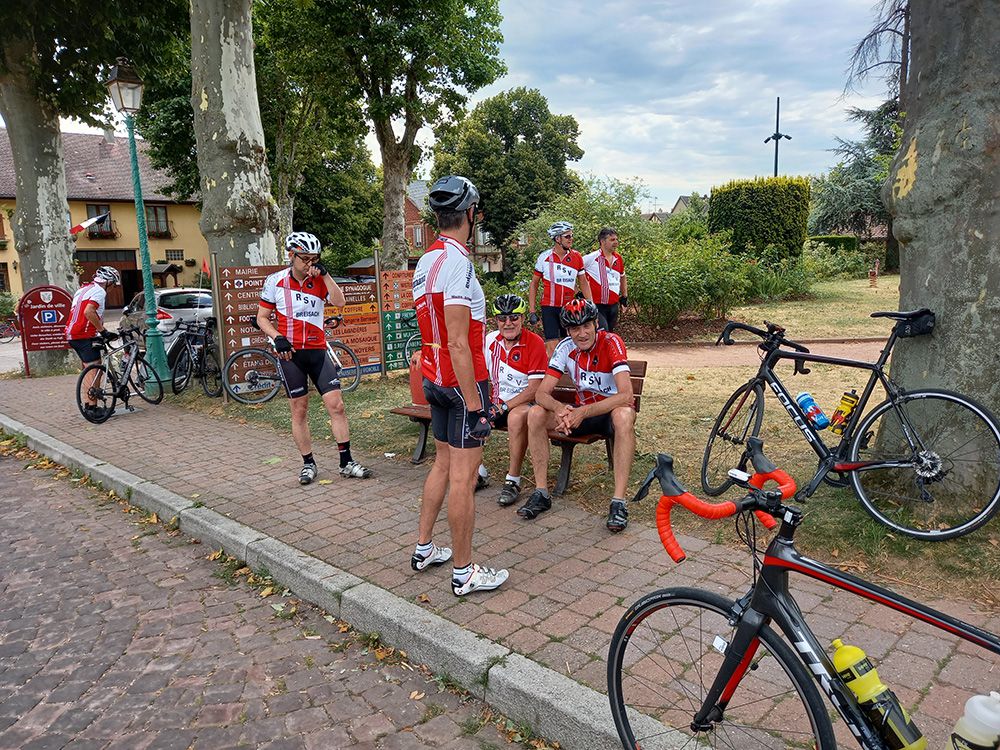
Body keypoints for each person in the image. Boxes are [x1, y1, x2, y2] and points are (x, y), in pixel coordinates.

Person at [410, 175, 508, 597]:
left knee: (443, 464)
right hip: (461, 382)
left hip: (433, 378)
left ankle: (424, 548)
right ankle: (465, 572)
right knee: (463, 479)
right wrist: (476, 404)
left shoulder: (426, 260)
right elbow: (456, 338)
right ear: (469, 215)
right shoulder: (459, 262)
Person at [257, 231, 373, 485]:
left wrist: (326, 273)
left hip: (318, 351)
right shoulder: (274, 282)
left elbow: (340, 302)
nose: (310, 263)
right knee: (299, 410)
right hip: (291, 354)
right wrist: (277, 337)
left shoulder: (319, 280)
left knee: (337, 406)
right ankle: (308, 463)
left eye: (315, 258)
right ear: (291, 256)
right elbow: (262, 318)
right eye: (305, 258)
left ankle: (346, 462)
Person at [520, 299, 636, 532]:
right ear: (567, 331)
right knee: (534, 413)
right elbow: (542, 393)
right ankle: (541, 492)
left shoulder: (611, 342)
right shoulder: (564, 348)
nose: (581, 334)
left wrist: (584, 411)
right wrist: (559, 409)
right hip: (580, 413)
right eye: (574, 329)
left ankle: (618, 503)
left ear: (595, 324)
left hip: (607, 413)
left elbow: (626, 395)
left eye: (586, 326)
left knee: (624, 415)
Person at [482, 293, 548, 509]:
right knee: (468, 413)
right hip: (497, 403)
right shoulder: (490, 341)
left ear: (521, 319)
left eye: (513, 317)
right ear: (496, 321)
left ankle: (513, 480)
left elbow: (535, 389)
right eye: (502, 318)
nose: (508, 323)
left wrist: (504, 407)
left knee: (515, 418)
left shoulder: (534, 343)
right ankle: (478, 473)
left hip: (523, 404)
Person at [527, 221, 593, 357]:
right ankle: (555, 376)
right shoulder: (544, 258)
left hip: (569, 308)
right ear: (557, 239)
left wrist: (591, 304)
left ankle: (571, 376)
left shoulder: (576, 257)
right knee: (552, 347)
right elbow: (534, 284)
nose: (571, 239)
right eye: (567, 236)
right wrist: (532, 310)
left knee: (571, 346)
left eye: (571, 236)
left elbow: (583, 282)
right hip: (549, 307)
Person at [66, 266, 120, 420]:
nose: (113, 288)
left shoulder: (84, 289)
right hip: (84, 335)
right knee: (94, 372)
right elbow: (89, 311)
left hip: (73, 335)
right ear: (108, 282)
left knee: (90, 369)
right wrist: (103, 331)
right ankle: (92, 408)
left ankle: (89, 404)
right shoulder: (99, 291)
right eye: (113, 284)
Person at [582, 227, 628, 332]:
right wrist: (579, 292)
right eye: (612, 240)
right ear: (602, 241)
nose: (616, 242)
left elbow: (623, 277)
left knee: (609, 334)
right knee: (603, 332)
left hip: (613, 306)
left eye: (616, 239)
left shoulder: (618, 258)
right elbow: (574, 270)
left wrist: (624, 297)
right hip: (597, 306)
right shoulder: (591, 258)